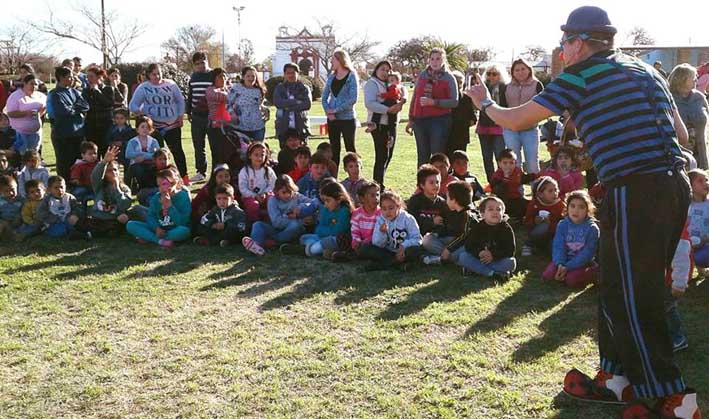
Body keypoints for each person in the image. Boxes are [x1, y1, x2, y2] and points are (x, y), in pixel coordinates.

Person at [465, 6, 699, 415]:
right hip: (670, 183)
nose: (561, 50)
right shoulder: (645, 70)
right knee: (614, 282)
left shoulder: (582, 73)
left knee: (635, 294)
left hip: (638, 188)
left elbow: (519, 119)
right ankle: (616, 378)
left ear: (578, 42)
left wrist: (484, 103)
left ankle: (672, 399)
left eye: (564, 42)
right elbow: (680, 133)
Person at [129, 63, 188, 182]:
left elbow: (180, 100)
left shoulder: (171, 84)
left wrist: (180, 115)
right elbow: (133, 105)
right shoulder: (143, 87)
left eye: (158, 73)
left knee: (177, 151)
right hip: (153, 127)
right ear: (148, 75)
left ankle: (184, 177)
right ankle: (161, 179)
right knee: (158, 154)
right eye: (153, 74)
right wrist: (142, 114)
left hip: (172, 124)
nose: (156, 76)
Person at [406, 48, 459, 167]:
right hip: (419, 120)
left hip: (439, 120)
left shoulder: (449, 78)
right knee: (422, 156)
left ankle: (437, 183)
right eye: (432, 59)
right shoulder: (423, 75)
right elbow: (415, 97)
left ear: (443, 60)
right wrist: (411, 118)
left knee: (437, 155)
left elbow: (454, 102)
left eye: (438, 59)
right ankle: (421, 184)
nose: (435, 62)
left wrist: (434, 102)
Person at [243, 174, 319, 256]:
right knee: (257, 225)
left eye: (290, 192)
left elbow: (313, 203)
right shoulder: (272, 201)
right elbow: (277, 222)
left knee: (295, 225)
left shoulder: (297, 196)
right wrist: (294, 218)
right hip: (276, 229)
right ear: (277, 191)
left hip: (292, 231)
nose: (287, 195)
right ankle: (257, 245)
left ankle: (273, 242)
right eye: (284, 192)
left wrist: (302, 208)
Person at [542, 190, 600, 288]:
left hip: (583, 262)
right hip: (565, 259)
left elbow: (587, 253)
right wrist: (560, 264)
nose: (575, 211)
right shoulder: (562, 224)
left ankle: (593, 272)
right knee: (548, 275)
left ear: (588, 209)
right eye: (572, 206)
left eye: (581, 207)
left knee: (571, 280)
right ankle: (563, 271)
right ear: (567, 207)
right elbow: (558, 246)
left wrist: (568, 267)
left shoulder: (592, 228)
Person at [281, 181, 353, 258]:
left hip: (336, 239)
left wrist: (323, 232)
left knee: (322, 244)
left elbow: (337, 231)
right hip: (322, 237)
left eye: (328, 201)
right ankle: (324, 251)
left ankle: (308, 250)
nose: (325, 204)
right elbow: (319, 227)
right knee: (304, 238)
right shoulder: (325, 209)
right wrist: (323, 232)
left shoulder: (344, 212)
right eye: (324, 201)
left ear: (339, 199)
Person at [364, 60, 406, 187]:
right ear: (376, 70)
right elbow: (369, 103)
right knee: (382, 154)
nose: (385, 72)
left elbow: (403, 89)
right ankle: (377, 185)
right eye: (382, 69)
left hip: (391, 124)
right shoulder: (372, 83)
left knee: (389, 154)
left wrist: (403, 101)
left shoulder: (390, 82)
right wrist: (387, 109)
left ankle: (378, 182)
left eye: (388, 70)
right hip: (379, 124)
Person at [359, 190, 423, 271]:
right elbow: (377, 243)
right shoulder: (381, 219)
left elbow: (417, 239)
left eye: (391, 208)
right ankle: (396, 264)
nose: (387, 212)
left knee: (415, 251)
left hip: (404, 251)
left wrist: (404, 246)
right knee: (365, 248)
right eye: (384, 209)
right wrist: (382, 233)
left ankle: (381, 265)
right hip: (388, 252)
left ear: (398, 206)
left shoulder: (408, 219)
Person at [125, 168, 191, 247]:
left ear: (174, 183)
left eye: (164, 184)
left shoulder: (183, 196)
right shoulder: (156, 197)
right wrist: (156, 228)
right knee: (131, 225)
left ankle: (151, 237)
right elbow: (151, 216)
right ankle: (160, 241)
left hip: (175, 229)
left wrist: (170, 206)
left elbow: (182, 222)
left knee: (184, 231)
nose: (161, 188)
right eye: (159, 185)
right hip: (159, 228)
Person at [458, 196, 516, 280]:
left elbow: (510, 250)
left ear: (503, 213)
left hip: (497, 259)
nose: (495, 212)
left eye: (498, 209)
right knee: (463, 257)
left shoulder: (506, 228)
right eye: (490, 209)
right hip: (480, 258)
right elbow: (469, 245)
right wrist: (479, 252)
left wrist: (493, 255)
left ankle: (476, 269)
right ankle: (492, 274)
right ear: (482, 214)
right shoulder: (477, 227)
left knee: (510, 263)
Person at [503, 58, 544, 174]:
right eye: (517, 70)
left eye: (523, 69)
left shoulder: (537, 85)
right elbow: (503, 106)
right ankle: (516, 191)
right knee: (514, 163)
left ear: (529, 70)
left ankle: (536, 190)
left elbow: (542, 106)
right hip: (511, 129)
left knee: (532, 163)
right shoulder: (507, 87)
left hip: (530, 129)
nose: (520, 72)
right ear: (512, 72)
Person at [421, 181, 477, 266]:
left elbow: (465, 236)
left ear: (453, 200)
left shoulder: (469, 215)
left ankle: (442, 259)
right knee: (427, 240)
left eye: (447, 197)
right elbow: (446, 227)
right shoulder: (449, 209)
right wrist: (437, 234)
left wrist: (449, 249)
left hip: (463, 245)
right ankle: (449, 259)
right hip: (451, 240)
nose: (445, 199)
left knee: (460, 254)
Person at [322, 49, 359, 171]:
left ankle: (354, 176)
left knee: (350, 148)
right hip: (333, 119)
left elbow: (353, 99)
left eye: (334, 59)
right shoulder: (332, 77)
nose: (331, 61)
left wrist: (336, 110)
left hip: (347, 119)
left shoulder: (352, 76)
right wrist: (329, 112)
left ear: (340, 60)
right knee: (334, 149)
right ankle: (333, 178)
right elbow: (324, 97)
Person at [50, 66, 90, 180]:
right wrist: (76, 109)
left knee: (77, 160)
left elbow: (86, 106)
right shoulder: (55, 94)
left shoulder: (75, 92)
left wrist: (72, 108)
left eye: (72, 77)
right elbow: (62, 111)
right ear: (61, 78)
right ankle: (65, 184)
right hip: (63, 134)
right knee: (64, 162)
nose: (72, 79)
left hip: (78, 133)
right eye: (69, 77)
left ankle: (76, 182)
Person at [669, 64, 709, 169]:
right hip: (678, 154)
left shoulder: (699, 97)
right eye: (693, 77)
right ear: (682, 79)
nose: (696, 79)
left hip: (700, 153)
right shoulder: (669, 98)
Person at [87, 146, 132, 235]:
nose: (113, 172)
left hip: (115, 218)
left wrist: (117, 189)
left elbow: (125, 205)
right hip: (99, 218)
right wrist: (104, 162)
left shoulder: (124, 188)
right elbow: (95, 176)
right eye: (109, 171)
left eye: (115, 170)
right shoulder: (99, 186)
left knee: (123, 218)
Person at [332, 180, 381, 262]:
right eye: (372, 195)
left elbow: (378, 233)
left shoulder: (381, 213)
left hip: (373, 241)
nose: (376, 198)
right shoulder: (357, 213)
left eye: (377, 195)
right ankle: (353, 253)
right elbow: (355, 229)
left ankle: (351, 256)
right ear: (362, 198)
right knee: (342, 237)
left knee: (373, 246)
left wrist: (364, 242)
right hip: (360, 241)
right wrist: (356, 241)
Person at [476, 64, 509, 183]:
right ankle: (492, 183)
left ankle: (502, 182)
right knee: (486, 158)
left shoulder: (505, 88)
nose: (491, 76)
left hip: (499, 126)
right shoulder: (483, 88)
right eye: (489, 73)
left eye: (494, 74)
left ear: (500, 75)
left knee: (500, 157)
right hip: (484, 127)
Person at [186, 52, 214, 182]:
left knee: (215, 145)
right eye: (197, 63)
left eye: (202, 62)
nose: (200, 65)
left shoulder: (213, 75)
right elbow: (190, 95)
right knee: (198, 145)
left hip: (212, 115)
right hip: (197, 116)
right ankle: (200, 171)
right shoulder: (193, 77)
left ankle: (216, 170)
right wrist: (189, 111)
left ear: (207, 62)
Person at [522, 176, 565, 256]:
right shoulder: (534, 204)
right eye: (550, 191)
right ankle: (529, 244)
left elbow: (565, 224)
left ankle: (542, 247)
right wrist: (534, 221)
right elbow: (526, 221)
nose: (555, 193)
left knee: (554, 251)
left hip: (554, 234)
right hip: (537, 233)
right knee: (544, 226)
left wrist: (551, 224)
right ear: (540, 194)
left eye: (556, 190)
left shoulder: (560, 206)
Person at [5, 74, 46, 156]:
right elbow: (10, 114)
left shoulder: (41, 96)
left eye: (36, 84)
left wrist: (39, 113)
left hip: (36, 132)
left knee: (33, 156)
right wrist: (26, 113)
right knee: (21, 156)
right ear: (25, 83)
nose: (34, 86)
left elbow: (44, 108)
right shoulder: (15, 96)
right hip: (19, 133)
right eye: (32, 83)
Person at [273, 63, 312, 148]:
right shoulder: (280, 88)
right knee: (285, 155)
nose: (290, 75)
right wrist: (295, 101)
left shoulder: (304, 88)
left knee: (302, 154)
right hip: (284, 126)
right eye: (288, 73)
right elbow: (278, 103)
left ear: (298, 73)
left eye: (293, 73)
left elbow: (307, 104)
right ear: (284, 74)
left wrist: (288, 107)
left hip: (300, 126)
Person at [83, 67, 119, 154]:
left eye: (91, 77)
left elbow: (108, 103)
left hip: (105, 125)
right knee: (93, 151)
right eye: (87, 77)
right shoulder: (86, 91)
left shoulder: (108, 89)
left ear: (99, 77)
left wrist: (96, 91)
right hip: (91, 126)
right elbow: (86, 106)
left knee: (105, 151)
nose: (88, 79)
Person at [238, 142, 276, 223]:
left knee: (272, 200)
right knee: (253, 205)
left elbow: (273, 184)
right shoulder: (245, 171)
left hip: (265, 196)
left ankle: (272, 221)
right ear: (249, 155)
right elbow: (243, 188)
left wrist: (265, 193)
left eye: (262, 155)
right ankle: (253, 223)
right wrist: (254, 196)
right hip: (250, 197)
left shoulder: (268, 170)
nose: (259, 158)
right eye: (256, 155)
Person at [227, 66, 268, 141]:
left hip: (257, 126)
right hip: (240, 126)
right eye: (248, 76)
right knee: (243, 151)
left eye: (253, 76)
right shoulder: (236, 89)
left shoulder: (258, 90)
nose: (251, 78)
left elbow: (260, 104)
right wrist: (232, 113)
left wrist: (265, 110)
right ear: (243, 77)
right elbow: (227, 103)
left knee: (257, 148)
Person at [406, 164, 447, 236]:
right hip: (417, 237)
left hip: (436, 237)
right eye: (431, 183)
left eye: (437, 182)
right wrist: (431, 222)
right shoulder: (415, 201)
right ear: (422, 185)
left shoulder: (443, 203)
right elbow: (410, 222)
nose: (436, 185)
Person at [205, 67, 233, 168]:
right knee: (217, 154)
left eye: (224, 76)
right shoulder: (210, 90)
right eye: (220, 76)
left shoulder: (230, 89)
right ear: (214, 78)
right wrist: (233, 94)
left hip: (230, 126)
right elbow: (223, 97)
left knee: (229, 153)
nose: (223, 78)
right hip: (215, 127)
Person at [490, 149, 530, 220]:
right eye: (505, 163)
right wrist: (505, 178)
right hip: (503, 200)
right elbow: (497, 191)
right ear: (499, 164)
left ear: (515, 163)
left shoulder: (517, 171)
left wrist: (536, 176)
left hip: (516, 198)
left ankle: (518, 218)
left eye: (511, 163)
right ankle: (511, 218)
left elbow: (524, 179)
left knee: (528, 205)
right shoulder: (496, 176)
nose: (508, 166)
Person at [447, 70, 478, 158]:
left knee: (460, 159)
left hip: (461, 136)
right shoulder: (445, 98)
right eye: (455, 82)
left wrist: (464, 124)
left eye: (460, 82)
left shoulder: (466, 98)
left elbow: (473, 119)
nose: (458, 85)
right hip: (447, 135)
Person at [125, 117, 161, 190]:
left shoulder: (154, 141)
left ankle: (153, 187)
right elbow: (128, 154)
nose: (145, 129)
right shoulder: (132, 141)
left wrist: (143, 156)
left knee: (154, 170)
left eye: (147, 127)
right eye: (142, 127)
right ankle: (142, 187)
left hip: (151, 164)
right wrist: (138, 157)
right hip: (136, 164)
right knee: (138, 169)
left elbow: (157, 154)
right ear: (137, 129)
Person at [687, 169, 709, 269]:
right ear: (690, 185)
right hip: (690, 246)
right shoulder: (686, 206)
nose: (706, 183)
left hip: (706, 245)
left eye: (706, 180)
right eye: (700, 181)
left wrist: (704, 240)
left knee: (701, 257)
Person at [0, 175, 23, 239]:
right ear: (1, 192)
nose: (10, 193)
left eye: (12, 189)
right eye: (6, 191)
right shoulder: (1, 201)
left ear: (17, 187)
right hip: (3, 220)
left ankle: (11, 233)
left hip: (16, 222)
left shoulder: (21, 200)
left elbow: (24, 212)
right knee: (1, 225)